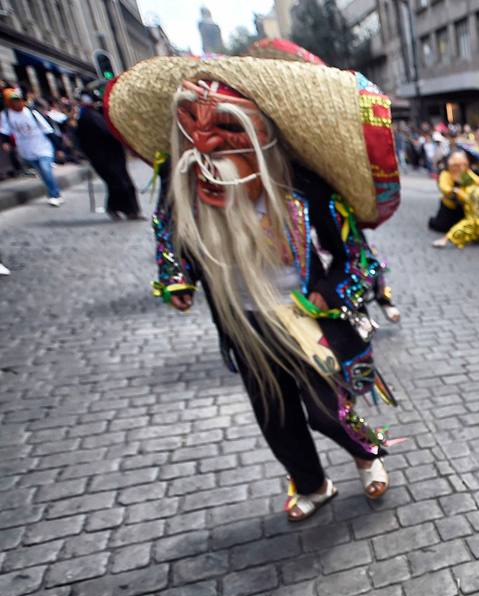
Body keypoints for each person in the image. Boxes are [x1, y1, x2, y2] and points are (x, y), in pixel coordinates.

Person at [105, 43, 402, 521]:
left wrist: (327, 291)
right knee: (274, 414)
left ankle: (366, 455)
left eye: (224, 127)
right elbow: (170, 231)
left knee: (328, 408)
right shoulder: (183, 185)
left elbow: (357, 257)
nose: (204, 145)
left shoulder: (307, 189)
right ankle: (311, 483)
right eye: (192, 126)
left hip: (305, 317)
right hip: (242, 320)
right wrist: (177, 277)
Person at [73, 91, 141, 220]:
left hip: (114, 155)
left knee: (123, 182)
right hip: (102, 157)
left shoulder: (98, 114)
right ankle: (119, 209)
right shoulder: (87, 117)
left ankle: (129, 210)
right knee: (118, 183)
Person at [0, 87, 62, 206]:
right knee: (42, 172)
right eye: (14, 101)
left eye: (19, 100)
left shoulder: (32, 112)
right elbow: (4, 131)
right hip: (26, 148)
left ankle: (55, 194)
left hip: (42, 146)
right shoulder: (6, 115)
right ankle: (52, 191)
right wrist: (5, 142)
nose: (17, 103)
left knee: (46, 169)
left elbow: (48, 130)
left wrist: (58, 148)